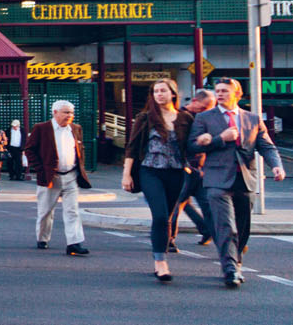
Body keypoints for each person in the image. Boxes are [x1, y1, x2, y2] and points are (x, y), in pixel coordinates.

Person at [189, 78, 286, 288]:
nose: (220, 94)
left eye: (225, 91)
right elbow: (192, 147)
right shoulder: (204, 118)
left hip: (245, 180)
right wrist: (220, 138)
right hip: (216, 180)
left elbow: (266, 145)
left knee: (242, 228)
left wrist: (276, 165)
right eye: (218, 91)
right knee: (226, 226)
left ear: (237, 94)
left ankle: (236, 262)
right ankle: (230, 269)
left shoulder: (252, 118)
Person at [122, 77, 192, 282]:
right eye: (155, 91)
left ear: (173, 93)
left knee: (168, 218)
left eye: (163, 90)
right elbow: (132, 147)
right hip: (150, 171)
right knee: (160, 215)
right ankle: (160, 263)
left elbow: (193, 145)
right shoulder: (145, 118)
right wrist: (127, 174)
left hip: (176, 172)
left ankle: (163, 252)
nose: (159, 94)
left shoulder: (185, 118)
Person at [23, 100, 91, 256]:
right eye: (66, 112)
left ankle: (74, 243)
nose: (69, 116)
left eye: (71, 113)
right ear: (55, 112)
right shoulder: (42, 128)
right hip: (50, 177)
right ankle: (43, 238)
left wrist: (80, 167)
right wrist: (40, 170)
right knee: (46, 211)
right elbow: (29, 150)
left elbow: (80, 149)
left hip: (71, 176)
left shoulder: (75, 129)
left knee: (72, 210)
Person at [170, 89, 216, 250]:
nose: (206, 111)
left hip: (200, 168)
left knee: (204, 203)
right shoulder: (180, 117)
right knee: (178, 202)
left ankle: (208, 230)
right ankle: (169, 239)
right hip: (185, 167)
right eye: (204, 107)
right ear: (195, 101)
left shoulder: (203, 118)